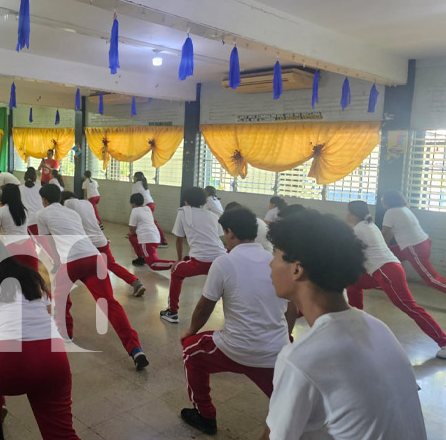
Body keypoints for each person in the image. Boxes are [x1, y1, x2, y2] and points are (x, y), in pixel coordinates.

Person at [262, 209, 427, 440]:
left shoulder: (301, 357)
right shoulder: (379, 328)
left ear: (297, 269)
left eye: (275, 255)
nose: (270, 264)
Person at [178, 208, 292, 435]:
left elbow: (203, 308)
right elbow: (292, 308)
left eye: (224, 233)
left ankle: (205, 415)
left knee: (191, 351)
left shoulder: (224, 262)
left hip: (234, 348)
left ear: (230, 232)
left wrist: (190, 330)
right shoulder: (275, 261)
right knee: (285, 397)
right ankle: (287, 419)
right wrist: (286, 337)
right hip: (274, 352)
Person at [0, 242, 79, 439]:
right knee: (61, 433)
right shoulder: (32, 279)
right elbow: (46, 316)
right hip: (54, 358)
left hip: (5, 363)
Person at [37, 184, 149, 369]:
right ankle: (136, 349)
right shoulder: (72, 213)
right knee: (110, 304)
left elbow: (47, 244)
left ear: (44, 200)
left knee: (61, 296)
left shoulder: (42, 214)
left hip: (72, 261)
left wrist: (57, 264)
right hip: (94, 257)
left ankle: (66, 334)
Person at [345, 200, 446, 358]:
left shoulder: (359, 229)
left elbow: (350, 254)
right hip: (385, 269)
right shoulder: (368, 225)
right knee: (353, 283)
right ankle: (357, 329)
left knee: (410, 307)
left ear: (352, 214)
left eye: (348, 212)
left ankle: (444, 342)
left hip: (387, 272)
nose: (346, 215)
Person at [160, 187, 227, 324]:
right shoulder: (212, 215)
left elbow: (179, 238)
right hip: (221, 259)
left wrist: (178, 261)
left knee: (176, 272)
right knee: (227, 287)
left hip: (200, 261)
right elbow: (218, 237)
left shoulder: (183, 212)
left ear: (185, 200)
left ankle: (172, 312)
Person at [62, 191, 145, 297]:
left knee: (73, 266)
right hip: (101, 240)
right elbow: (97, 223)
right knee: (112, 265)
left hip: (88, 245)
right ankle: (136, 282)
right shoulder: (88, 204)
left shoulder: (68, 203)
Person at [381, 190, 446, 295]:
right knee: (388, 256)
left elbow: (385, 233)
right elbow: (390, 232)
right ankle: (382, 282)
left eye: (383, 199)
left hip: (414, 248)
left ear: (388, 201)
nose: (382, 201)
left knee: (432, 279)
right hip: (421, 244)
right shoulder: (404, 209)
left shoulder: (391, 212)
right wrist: (384, 249)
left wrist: (381, 247)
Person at [0, 183, 38, 271]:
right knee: (32, 280)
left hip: (11, 248)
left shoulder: (0, 211)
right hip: (29, 247)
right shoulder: (24, 210)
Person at [128, 193, 175, 271]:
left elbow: (132, 229)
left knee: (153, 264)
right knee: (131, 237)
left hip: (147, 241)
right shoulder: (147, 208)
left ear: (133, 203)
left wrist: (136, 232)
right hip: (156, 238)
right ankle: (142, 258)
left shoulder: (135, 210)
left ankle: (176, 264)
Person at [132, 171, 167, 246]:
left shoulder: (136, 185)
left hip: (146, 205)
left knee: (153, 222)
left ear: (136, 177)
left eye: (133, 177)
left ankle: (163, 240)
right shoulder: (144, 184)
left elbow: (134, 198)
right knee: (148, 221)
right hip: (151, 203)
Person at [20, 167, 43, 235]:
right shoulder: (40, 188)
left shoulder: (20, 188)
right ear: (35, 177)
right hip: (39, 218)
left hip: (26, 220)